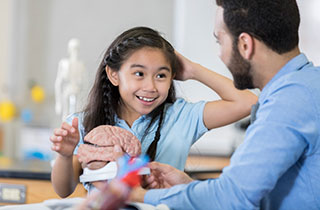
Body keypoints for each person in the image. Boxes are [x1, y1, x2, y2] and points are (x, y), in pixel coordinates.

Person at [127, 0, 320, 209]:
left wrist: (138, 195)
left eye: (220, 41)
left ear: (245, 45)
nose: (219, 53)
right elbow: (246, 194)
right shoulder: (306, 86)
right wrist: (186, 188)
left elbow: (232, 198)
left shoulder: (289, 102)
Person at [50, 26, 257, 198]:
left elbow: (248, 102)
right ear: (114, 75)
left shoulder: (181, 116)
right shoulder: (83, 123)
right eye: (139, 73)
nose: (150, 86)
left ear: (172, 77)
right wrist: (65, 156)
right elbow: (63, 190)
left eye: (161, 75)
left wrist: (193, 70)